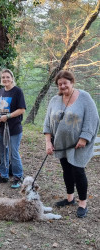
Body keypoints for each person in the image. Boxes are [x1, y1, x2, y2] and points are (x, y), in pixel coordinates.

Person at [43, 70, 99, 218]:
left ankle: (82, 203)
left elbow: (92, 119)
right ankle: (70, 198)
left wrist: (84, 138)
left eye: (65, 83)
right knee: (66, 170)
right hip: (61, 144)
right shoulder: (54, 100)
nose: (62, 86)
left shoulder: (84, 97)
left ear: (72, 82)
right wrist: (48, 142)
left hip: (78, 145)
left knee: (78, 172)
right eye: (59, 84)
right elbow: (47, 123)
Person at [0, 68, 26, 188]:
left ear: (12, 78)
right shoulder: (1, 92)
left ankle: (18, 176)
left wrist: (8, 116)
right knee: (2, 152)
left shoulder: (17, 92)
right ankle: (4, 175)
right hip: (1, 129)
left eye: (7, 77)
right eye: (3, 77)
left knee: (13, 153)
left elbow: (22, 109)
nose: (5, 79)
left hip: (14, 129)